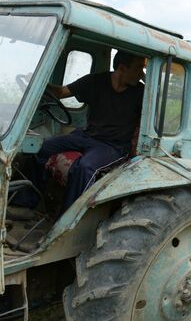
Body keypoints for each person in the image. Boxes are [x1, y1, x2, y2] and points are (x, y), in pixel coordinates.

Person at [32, 51, 146, 210]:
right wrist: (36, 82)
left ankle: (68, 219)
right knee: (43, 147)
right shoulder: (96, 81)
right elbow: (61, 92)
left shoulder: (142, 93)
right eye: (139, 68)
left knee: (86, 167)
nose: (142, 73)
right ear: (122, 68)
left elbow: (148, 122)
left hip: (113, 146)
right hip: (86, 136)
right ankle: (27, 203)